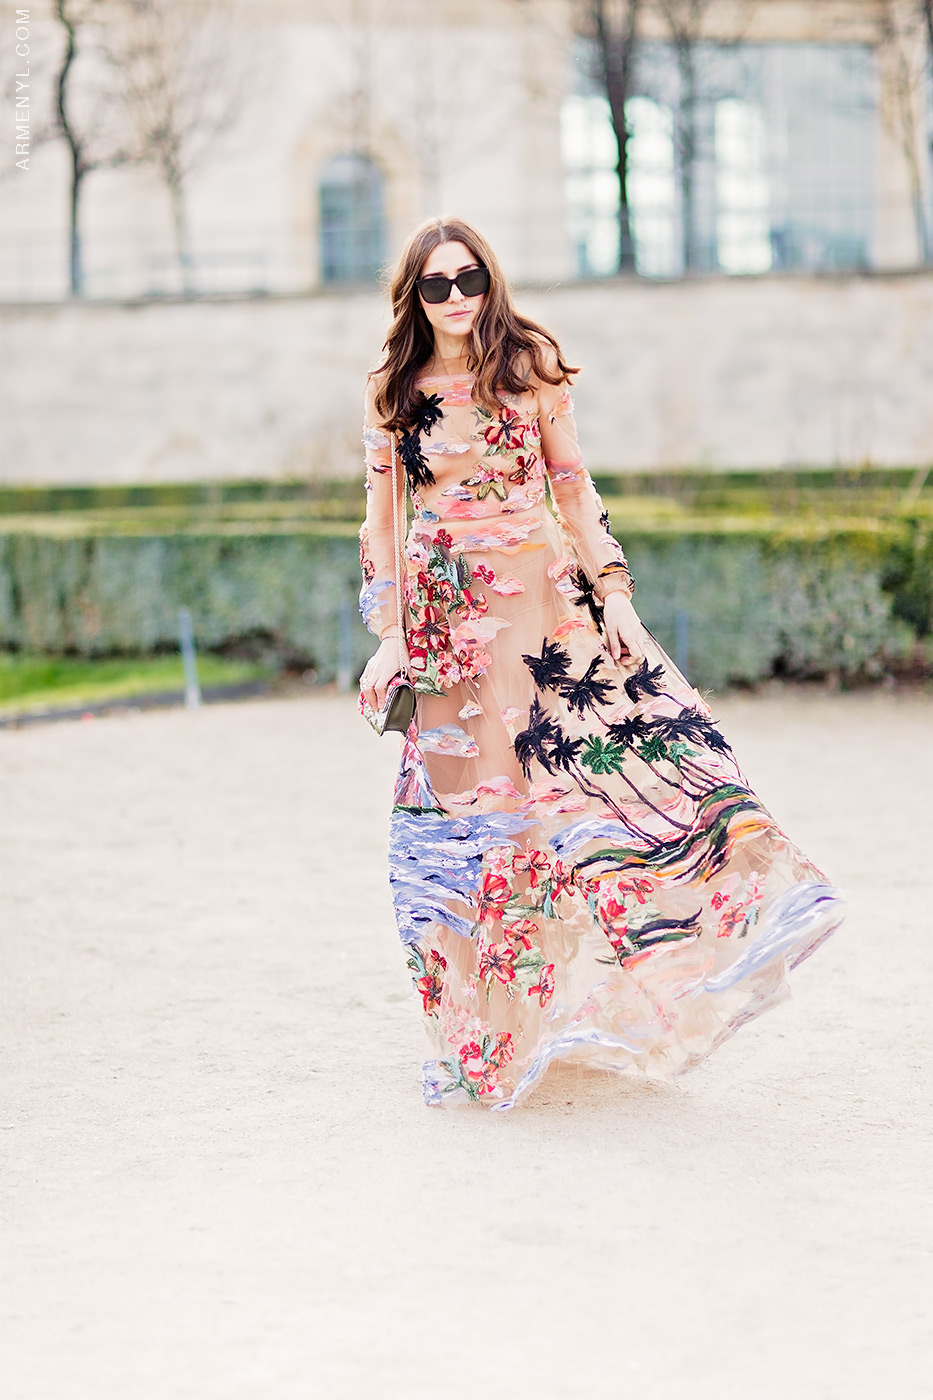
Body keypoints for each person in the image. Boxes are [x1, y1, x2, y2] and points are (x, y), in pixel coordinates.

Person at [357, 216, 844, 1111]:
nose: (457, 298)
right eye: (437, 286)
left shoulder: (529, 365)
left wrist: (613, 593)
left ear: (490, 282)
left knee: (600, 795)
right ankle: (483, 1040)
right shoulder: (393, 388)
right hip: (445, 639)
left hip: (546, 626)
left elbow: (573, 487)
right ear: (413, 297)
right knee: (460, 835)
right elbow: (383, 523)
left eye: (470, 281)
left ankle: (625, 993)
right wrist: (388, 634)